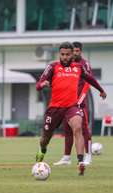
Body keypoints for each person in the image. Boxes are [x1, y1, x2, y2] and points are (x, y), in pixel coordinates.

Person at [35, 42, 107, 175]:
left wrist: (101, 90)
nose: (65, 57)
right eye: (62, 54)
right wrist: (42, 84)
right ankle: (42, 150)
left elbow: (90, 79)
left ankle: (80, 162)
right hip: (55, 108)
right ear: (59, 54)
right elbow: (38, 83)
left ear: (72, 54)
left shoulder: (78, 67)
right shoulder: (52, 67)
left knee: (78, 128)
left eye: (68, 54)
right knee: (45, 138)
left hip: (71, 107)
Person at [54, 41, 94, 166]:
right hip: (68, 102)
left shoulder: (84, 64)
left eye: (77, 51)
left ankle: (88, 155)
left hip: (80, 102)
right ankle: (66, 157)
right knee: (67, 129)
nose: (75, 53)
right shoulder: (67, 65)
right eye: (74, 51)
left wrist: (81, 99)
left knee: (84, 128)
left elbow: (88, 82)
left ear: (80, 51)